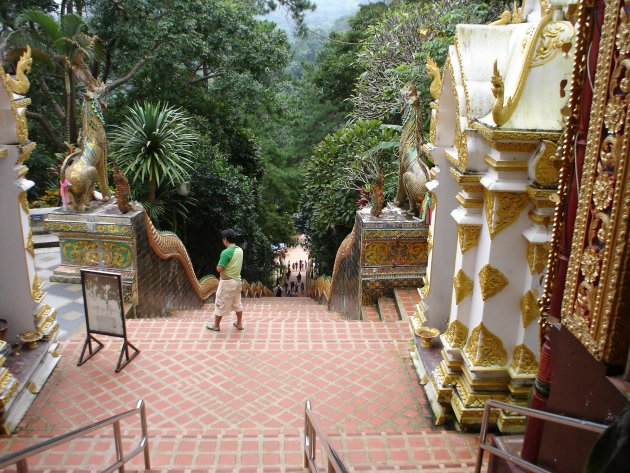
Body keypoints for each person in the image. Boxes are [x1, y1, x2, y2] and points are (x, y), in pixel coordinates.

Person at [206, 229, 244, 331]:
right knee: (237, 303)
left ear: (225, 240)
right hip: (237, 281)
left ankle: (216, 325)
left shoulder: (226, 252)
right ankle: (239, 324)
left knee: (220, 302)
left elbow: (220, 268)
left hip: (227, 283)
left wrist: (217, 267)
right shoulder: (240, 250)